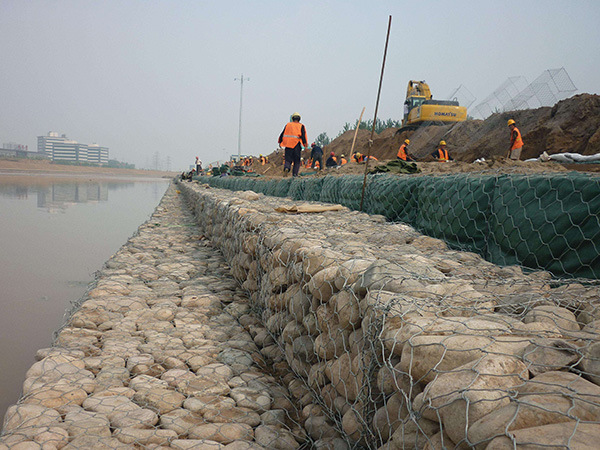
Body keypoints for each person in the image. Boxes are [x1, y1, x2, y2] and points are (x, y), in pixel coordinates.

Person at [278, 112, 308, 177]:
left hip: (288, 145)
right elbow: (303, 136)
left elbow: (282, 134)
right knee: (297, 161)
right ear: (299, 119)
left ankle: (287, 168)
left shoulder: (288, 125)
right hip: (296, 145)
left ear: (292, 118)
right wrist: (305, 146)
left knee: (288, 159)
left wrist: (280, 142)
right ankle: (295, 174)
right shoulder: (301, 126)